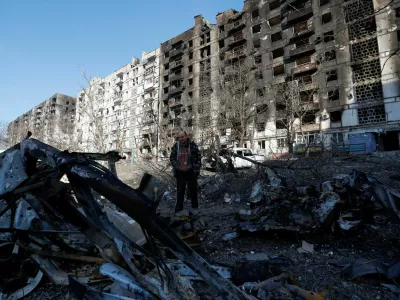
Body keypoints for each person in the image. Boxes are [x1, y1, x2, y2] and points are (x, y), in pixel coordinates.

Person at [170, 131, 201, 214]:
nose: (181, 139)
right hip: (180, 172)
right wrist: (176, 166)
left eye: (182, 137)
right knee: (180, 191)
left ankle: (195, 208)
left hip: (191, 172)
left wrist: (196, 170)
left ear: (186, 136)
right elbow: (172, 157)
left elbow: (198, 157)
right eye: (179, 137)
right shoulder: (176, 145)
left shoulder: (192, 145)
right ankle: (178, 209)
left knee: (193, 190)